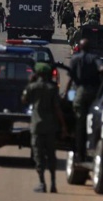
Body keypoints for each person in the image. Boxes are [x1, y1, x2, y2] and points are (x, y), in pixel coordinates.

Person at [22, 62, 67, 194]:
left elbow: (24, 100)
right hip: (51, 127)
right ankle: (53, 184)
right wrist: (63, 126)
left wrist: (29, 83)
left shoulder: (33, 87)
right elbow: (57, 108)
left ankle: (42, 183)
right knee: (51, 156)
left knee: (38, 156)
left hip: (37, 126)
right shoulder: (52, 88)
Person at [68, 38, 103, 161]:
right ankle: (92, 147)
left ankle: (79, 152)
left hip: (79, 91)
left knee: (79, 122)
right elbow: (102, 68)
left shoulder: (75, 59)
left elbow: (70, 77)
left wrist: (67, 93)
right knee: (94, 120)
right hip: (94, 92)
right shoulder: (94, 58)